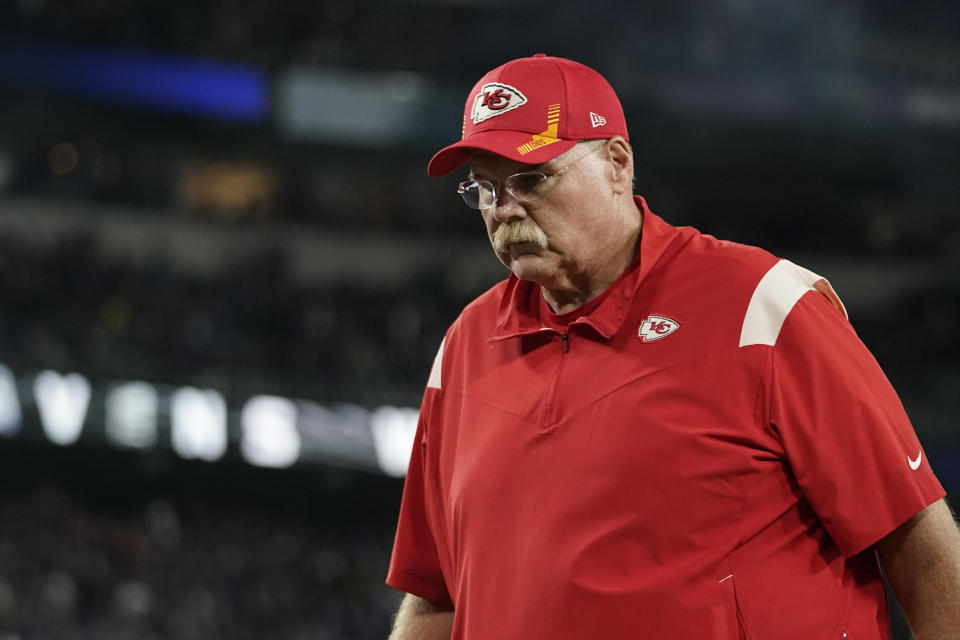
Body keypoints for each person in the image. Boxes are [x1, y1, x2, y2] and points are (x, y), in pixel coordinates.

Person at [385, 54, 960, 639]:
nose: (503, 208)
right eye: (484, 187)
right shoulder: (466, 344)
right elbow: (436, 595)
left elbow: (919, 541)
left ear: (616, 163)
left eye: (530, 178)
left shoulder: (763, 309)